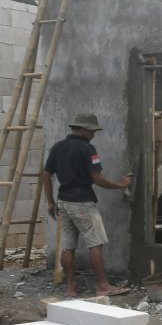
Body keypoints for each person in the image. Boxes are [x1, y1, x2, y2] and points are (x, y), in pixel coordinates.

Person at [41, 113, 133, 297]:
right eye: (92, 131)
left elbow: (45, 175)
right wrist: (121, 184)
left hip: (64, 202)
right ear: (84, 129)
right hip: (82, 203)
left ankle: (71, 287)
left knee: (68, 245)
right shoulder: (87, 149)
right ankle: (103, 286)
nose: (94, 134)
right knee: (96, 243)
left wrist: (51, 202)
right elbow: (99, 179)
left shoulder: (58, 147)